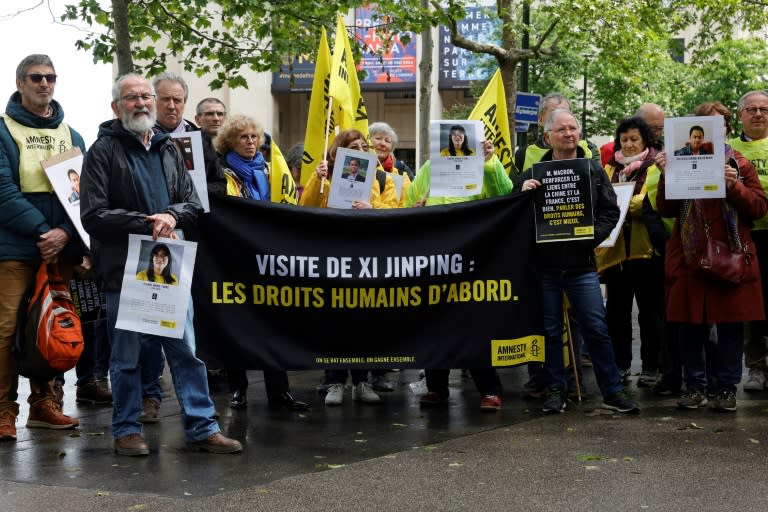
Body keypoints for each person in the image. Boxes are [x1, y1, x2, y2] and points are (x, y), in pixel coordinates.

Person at [80, 73, 242, 455]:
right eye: (132, 97)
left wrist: (170, 215)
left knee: (186, 351)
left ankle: (203, 427)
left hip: (169, 267)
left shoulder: (170, 148)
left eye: (146, 96)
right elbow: (93, 214)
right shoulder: (102, 151)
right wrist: (147, 222)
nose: (142, 103)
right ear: (116, 107)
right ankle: (126, 430)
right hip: (125, 270)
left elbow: (191, 202)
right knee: (127, 356)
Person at [518, 109, 639, 415]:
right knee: (550, 331)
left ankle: (612, 390)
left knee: (596, 328)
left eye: (573, 128)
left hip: (582, 266)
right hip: (544, 267)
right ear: (548, 137)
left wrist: (590, 237)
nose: (568, 133)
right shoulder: (533, 173)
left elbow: (611, 212)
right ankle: (556, 389)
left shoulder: (593, 170)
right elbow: (514, 214)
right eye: (561, 129)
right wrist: (521, 195)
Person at [655, 102, 768, 411]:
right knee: (690, 325)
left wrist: (734, 187)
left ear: (726, 131)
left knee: (731, 325)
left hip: (729, 255)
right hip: (689, 258)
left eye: (718, 126)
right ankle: (695, 387)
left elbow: (758, 210)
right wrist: (666, 175)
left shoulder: (740, 164)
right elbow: (664, 209)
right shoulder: (678, 161)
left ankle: (727, 389)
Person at [0, 54, 86, 441]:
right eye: (36, 77)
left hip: (60, 251)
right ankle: (4, 411)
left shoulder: (73, 134)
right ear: (20, 83)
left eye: (51, 77)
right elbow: (2, 192)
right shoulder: (2, 130)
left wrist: (65, 236)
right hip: (14, 250)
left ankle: (45, 404)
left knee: (51, 329)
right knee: (5, 331)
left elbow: (86, 195)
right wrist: (44, 232)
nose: (44, 83)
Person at [405, 138, 512, 411]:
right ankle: (436, 388)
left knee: (470, 324)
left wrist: (490, 162)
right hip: (433, 259)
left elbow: (505, 195)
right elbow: (407, 206)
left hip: (470, 261)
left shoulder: (481, 166)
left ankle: (489, 389)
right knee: (433, 323)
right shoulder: (429, 168)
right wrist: (416, 208)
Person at [212, 114, 309, 412]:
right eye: (243, 137)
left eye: (255, 137)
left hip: (270, 256)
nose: (251, 142)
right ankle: (238, 389)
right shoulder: (221, 172)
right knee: (238, 324)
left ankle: (280, 392)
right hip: (236, 256)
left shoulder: (271, 170)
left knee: (273, 324)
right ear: (230, 141)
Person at [300, 129, 397, 405]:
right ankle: (334, 380)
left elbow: (393, 211)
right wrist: (316, 178)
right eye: (353, 147)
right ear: (339, 152)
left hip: (367, 255)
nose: (360, 151)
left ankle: (362, 381)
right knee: (336, 319)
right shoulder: (325, 176)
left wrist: (372, 208)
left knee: (365, 320)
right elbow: (306, 207)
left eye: (363, 146)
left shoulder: (381, 177)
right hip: (334, 254)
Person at [595, 117, 664, 388]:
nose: (629, 144)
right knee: (617, 313)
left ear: (645, 140)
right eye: (624, 139)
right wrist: (616, 204)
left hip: (646, 251)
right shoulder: (609, 166)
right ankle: (620, 365)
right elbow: (601, 199)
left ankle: (651, 367)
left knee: (651, 313)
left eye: (634, 139)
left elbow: (649, 202)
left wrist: (622, 204)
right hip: (615, 254)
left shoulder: (655, 165)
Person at [729, 90, 768, 392]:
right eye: (751, 109)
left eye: (764, 109)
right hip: (745, 237)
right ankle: (756, 368)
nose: (758, 114)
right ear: (740, 114)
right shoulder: (728, 150)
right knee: (751, 307)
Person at [601, 103, 665, 166]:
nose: (658, 133)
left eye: (661, 128)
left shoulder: (664, 153)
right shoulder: (609, 152)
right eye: (653, 128)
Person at [369, 121, 414, 208]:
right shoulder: (357, 166)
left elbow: (405, 207)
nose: (382, 144)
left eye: (387, 141)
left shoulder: (402, 175)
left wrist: (372, 207)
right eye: (378, 138)